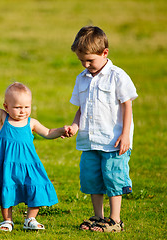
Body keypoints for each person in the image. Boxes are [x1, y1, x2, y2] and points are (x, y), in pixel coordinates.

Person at [66, 26, 138, 232]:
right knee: (92, 179)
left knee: (114, 177)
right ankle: (99, 217)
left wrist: (125, 134)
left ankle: (115, 220)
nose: (86, 65)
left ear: (104, 53)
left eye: (90, 60)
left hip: (114, 141)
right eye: (82, 61)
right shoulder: (82, 78)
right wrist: (74, 125)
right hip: (89, 141)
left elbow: (127, 105)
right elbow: (81, 108)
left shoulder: (117, 76)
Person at [0, 80, 68, 232]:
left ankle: (30, 218)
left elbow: (48, 132)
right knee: (7, 190)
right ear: (6, 106)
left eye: (26, 107)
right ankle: (7, 221)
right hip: (8, 165)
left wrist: (62, 131)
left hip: (29, 164)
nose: (22, 111)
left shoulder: (31, 123)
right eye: (17, 107)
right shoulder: (4, 118)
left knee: (35, 186)